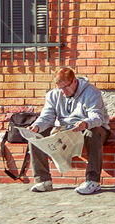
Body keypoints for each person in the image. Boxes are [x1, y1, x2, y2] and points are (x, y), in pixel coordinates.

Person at [28, 67, 110, 195]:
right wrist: (37, 126)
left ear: (75, 81)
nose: (63, 92)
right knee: (35, 135)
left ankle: (92, 181)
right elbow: (47, 117)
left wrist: (85, 123)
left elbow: (97, 117)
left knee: (92, 132)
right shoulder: (53, 94)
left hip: (91, 128)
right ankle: (43, 181)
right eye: (59, 88)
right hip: (66, 130)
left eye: (66, 87)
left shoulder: (91, 92)